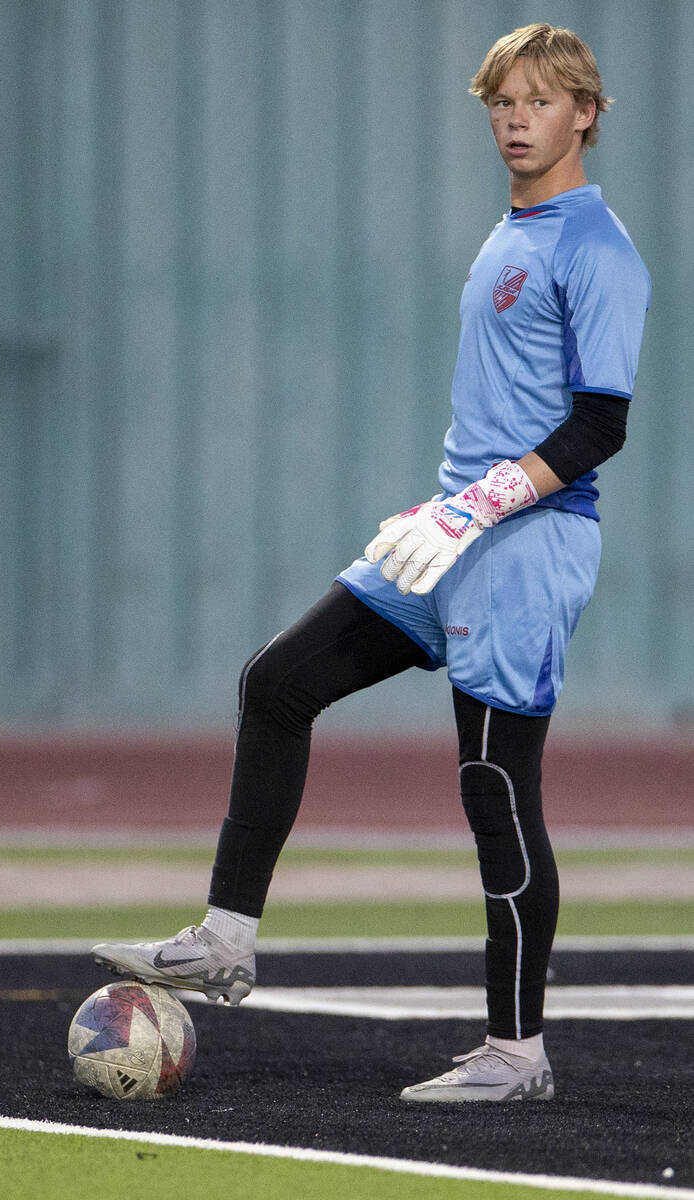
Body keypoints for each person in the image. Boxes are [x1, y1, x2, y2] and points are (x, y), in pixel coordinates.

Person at [92, 23, 650, 1102]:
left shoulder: (596, 247)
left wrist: (485, 500)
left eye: (537, 101)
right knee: (278, 683)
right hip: (449, 535)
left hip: (526, 543)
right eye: (500, 102)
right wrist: (452, 504)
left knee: (494, 784)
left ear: (585, 112)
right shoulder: (512, 233)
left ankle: (516, 1056)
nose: (513, 119)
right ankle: (225, 939)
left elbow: (600, 425)